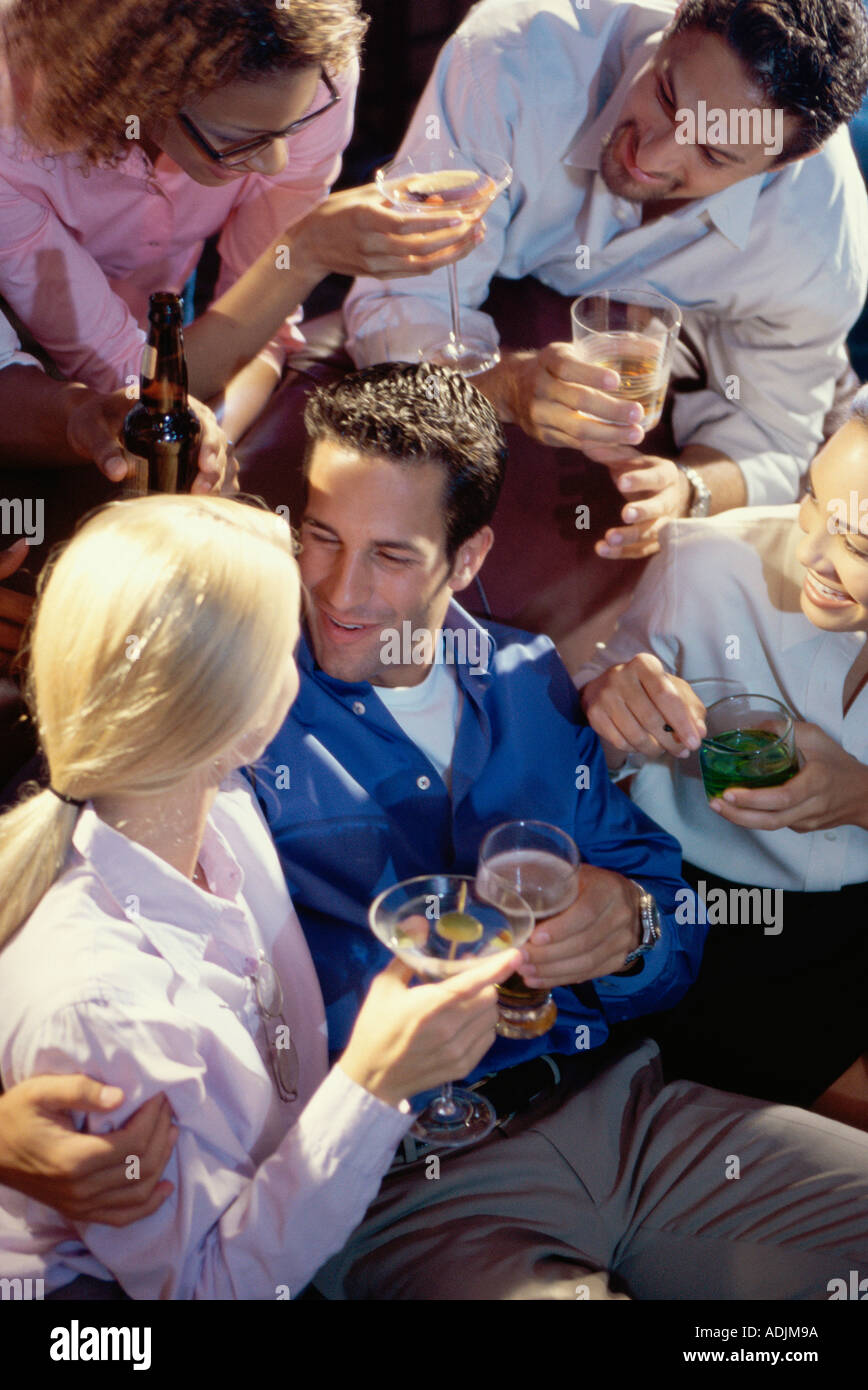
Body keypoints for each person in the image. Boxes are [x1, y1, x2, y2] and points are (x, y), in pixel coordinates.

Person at [253, 362, 868, 1301]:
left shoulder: (529, 678)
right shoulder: (243, 702)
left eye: (391, 554)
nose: (340, 589)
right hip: (410, 1177)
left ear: (466, 560)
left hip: (626, 1113)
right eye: (322, 539)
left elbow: (673, 933)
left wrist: (630, 927)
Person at [0, 492, 519, 1299]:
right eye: (284, 648)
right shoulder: (103, 1009)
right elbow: (203, 1288)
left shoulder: (226, 805)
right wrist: (374, 1084)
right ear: (231, 715)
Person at [344, 0, 868, 560]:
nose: (652, 155)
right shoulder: (511, 57)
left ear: (789, 161)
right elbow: (402, 301)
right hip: (495, 323)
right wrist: (508, 387)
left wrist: (690, 490)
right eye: (667, 97)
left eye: (714, 153)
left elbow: (775, 437)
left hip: (712, 361)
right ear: (673, 25)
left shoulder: (822, 245)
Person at [0, 0, 482, 443]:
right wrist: (305, 253)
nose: (276, 164)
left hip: (171, 324)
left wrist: (213, 453)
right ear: (138, 88)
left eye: (290, 128)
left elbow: (262, 332)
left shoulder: (309, 67)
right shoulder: (11, 135)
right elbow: (132, 384)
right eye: (236, 140)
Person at [574, 391, 868, 1117]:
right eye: (810, 499)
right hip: (688, 901)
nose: (812, 553)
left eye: (858, 544)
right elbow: (588, 736)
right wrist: (607, 703)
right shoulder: (707, 563)